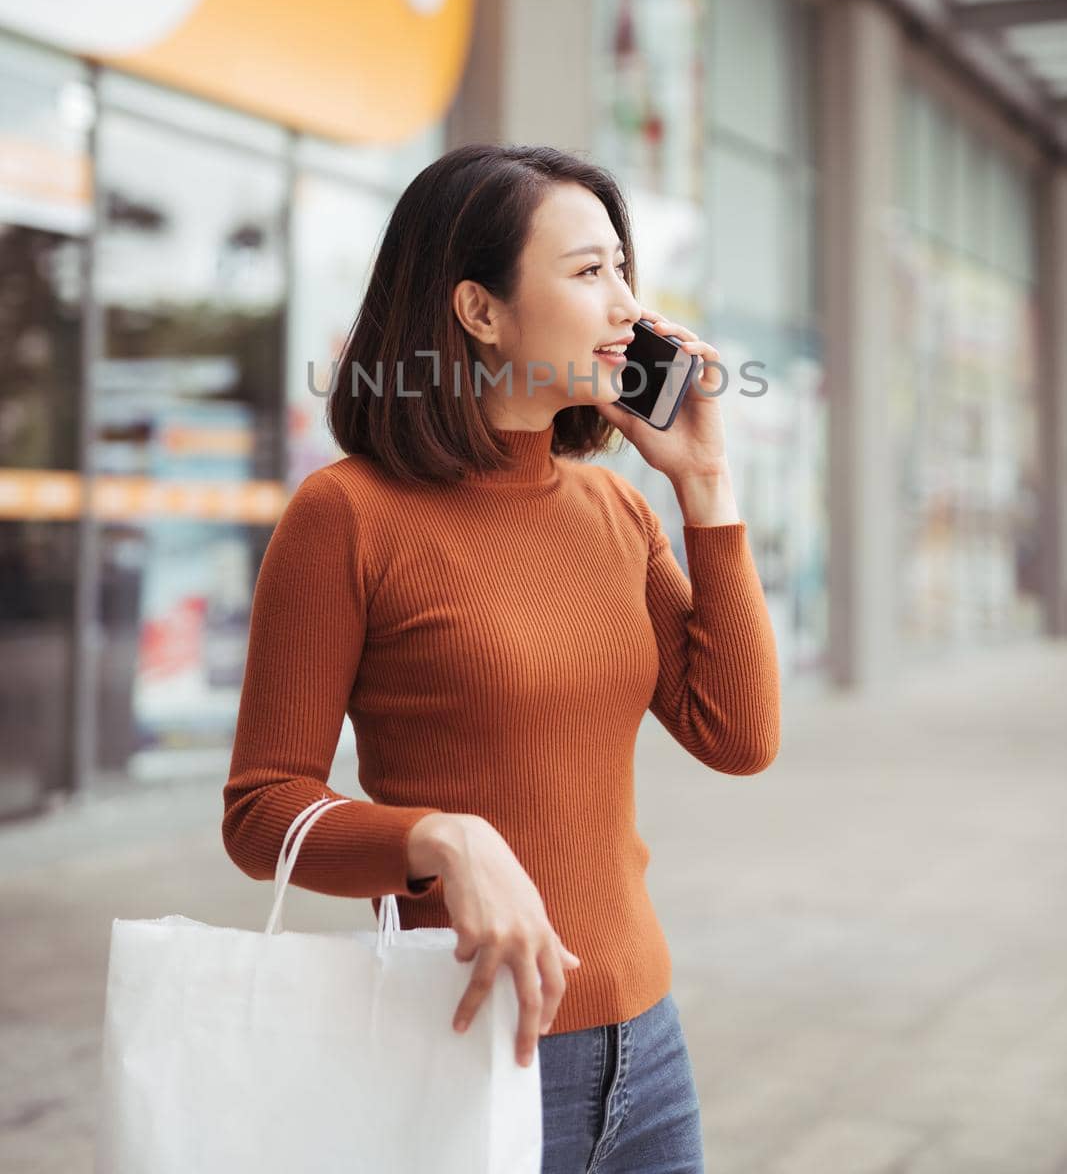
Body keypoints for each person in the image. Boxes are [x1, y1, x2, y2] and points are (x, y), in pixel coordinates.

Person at [222, 142, 781, 1172]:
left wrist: (704, 483)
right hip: (474, 1049)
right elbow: (262, 814)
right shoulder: (345, 515)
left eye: (622, 269)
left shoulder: (613, 507)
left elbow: (736, 736)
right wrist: (442, 839)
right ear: (480, 310)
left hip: (647, 1048)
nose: (627, 306)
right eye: (585, 272)